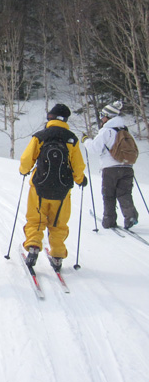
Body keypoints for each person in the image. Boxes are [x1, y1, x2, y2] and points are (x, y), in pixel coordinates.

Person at [19, 104, 87, 270]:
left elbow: (27, 159)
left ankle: (34, 245)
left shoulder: (41, 136)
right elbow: (78, 165)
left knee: (36, 219)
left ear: (50, 117)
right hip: (62, 190)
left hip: (39, 187)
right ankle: (57, 255)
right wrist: (80, 179)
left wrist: (24, 171)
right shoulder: (72, 139)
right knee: (58, 223)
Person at [83, 101, 138, 229]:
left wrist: (86, 140)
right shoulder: (125, 130)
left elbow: (94, 148)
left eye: (103, 115)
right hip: (127, 167)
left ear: (108, 116)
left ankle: (109, 221)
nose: (101, 118)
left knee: (108, 195)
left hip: (110, 169)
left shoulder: (106, 131)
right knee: (125, 193)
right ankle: (130, 216)